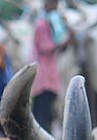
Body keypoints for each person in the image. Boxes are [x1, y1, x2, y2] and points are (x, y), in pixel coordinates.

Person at [30, 0, 74, 131]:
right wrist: (65, 42)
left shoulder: (46, 23)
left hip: (46, 78)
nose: (55, 7)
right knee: (43, 116)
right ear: (47, 5)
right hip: (44, 79)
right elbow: (45, 47)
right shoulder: (42, 24)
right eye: (53, 3)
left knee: (45, 115)